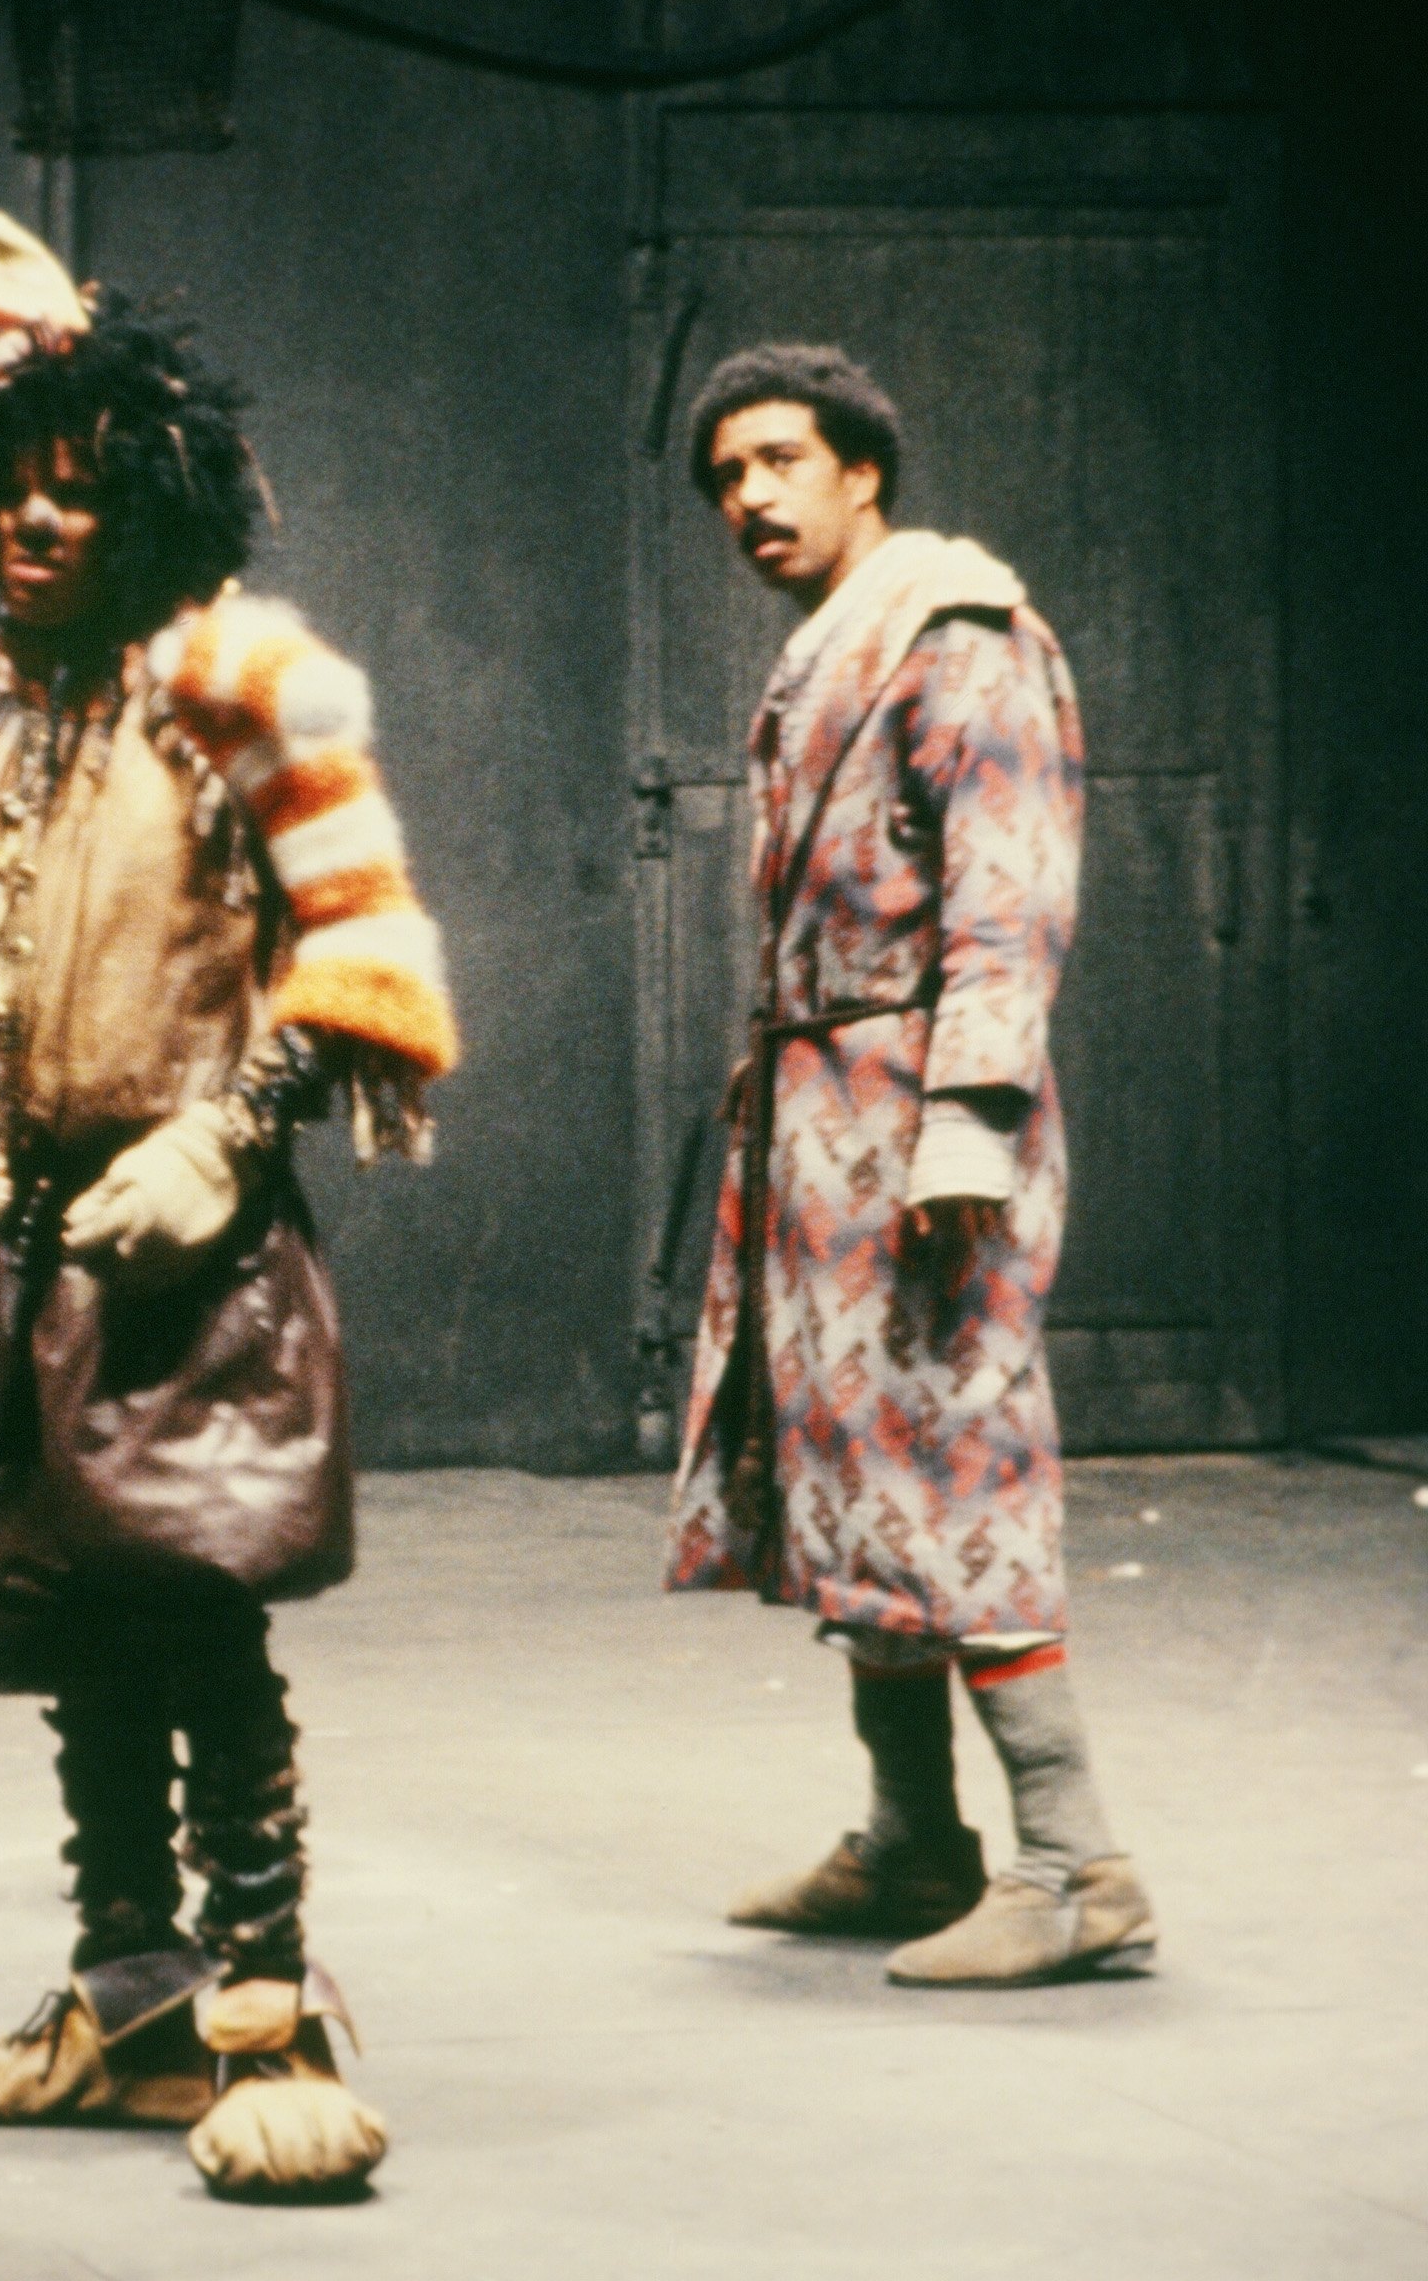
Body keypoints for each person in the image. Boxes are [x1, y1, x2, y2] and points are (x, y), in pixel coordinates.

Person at [0, 213, 456, 2199]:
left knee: (195, 1613)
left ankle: (266, 2006)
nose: (40, 520)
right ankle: (129, 1994)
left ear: (150, 501)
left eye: (83, 486)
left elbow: (366, 950)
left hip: (184, 1241)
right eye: (12, 484)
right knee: (72, 1623)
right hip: (25, 1237)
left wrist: (232, 1131)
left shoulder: (235, 680)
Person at [666, 343, 1150, 1988]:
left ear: (862, 471)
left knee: (956, 1458)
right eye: (727, 477)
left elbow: (1010, 897)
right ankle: (913, 1837)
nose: (749, 497)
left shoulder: (959, 631)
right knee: (854, 1469)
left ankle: (1078, 1867)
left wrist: (964, 1127)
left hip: (926, 1115)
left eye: (779, 461)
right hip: (825, 1116)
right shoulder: (832, 648)